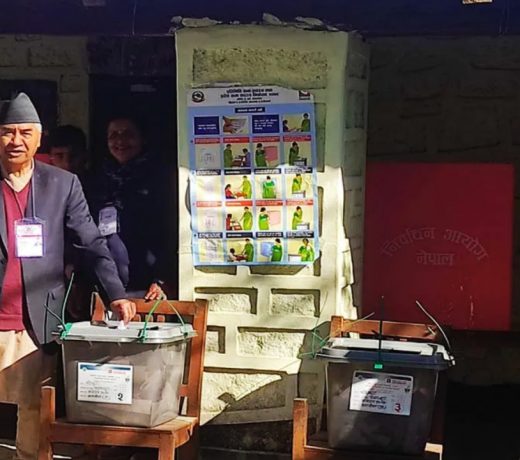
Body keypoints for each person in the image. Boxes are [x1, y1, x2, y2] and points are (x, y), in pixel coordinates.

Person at [0, 93, 135, 460]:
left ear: (39, 138)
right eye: (8, 132)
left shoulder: (62, 184)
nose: (16, 141)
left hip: (32, 318)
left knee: (32, 409)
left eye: (25, 132)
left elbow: (90, 241)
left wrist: (116, 294)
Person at [84, 116, 167, 299]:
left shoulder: (159, 179)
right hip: (104, 285)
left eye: (128, 134)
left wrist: (162, 278)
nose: (120, 141)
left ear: (142, 139)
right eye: (113, 135)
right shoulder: (96, 180)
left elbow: (169, 232)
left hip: (147, 287)